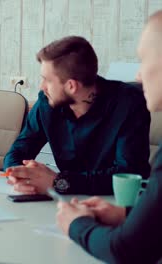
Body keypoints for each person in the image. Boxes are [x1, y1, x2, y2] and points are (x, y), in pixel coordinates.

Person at [56, 11, 162, 264]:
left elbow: (127, 251)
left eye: (144, 60)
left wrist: (76, 224)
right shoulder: (46, 105)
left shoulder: (127, 103)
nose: (138, 75)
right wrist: (127, 214)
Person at [3, 36, 151, 195]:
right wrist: (17, 174)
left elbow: (128, 174)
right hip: (64, 200)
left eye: (47, 80)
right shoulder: (47, 102)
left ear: (71, 86)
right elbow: (18, 150)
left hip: (114, 205)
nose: (42, 87)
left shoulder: (129, 103)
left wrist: (59, 181)